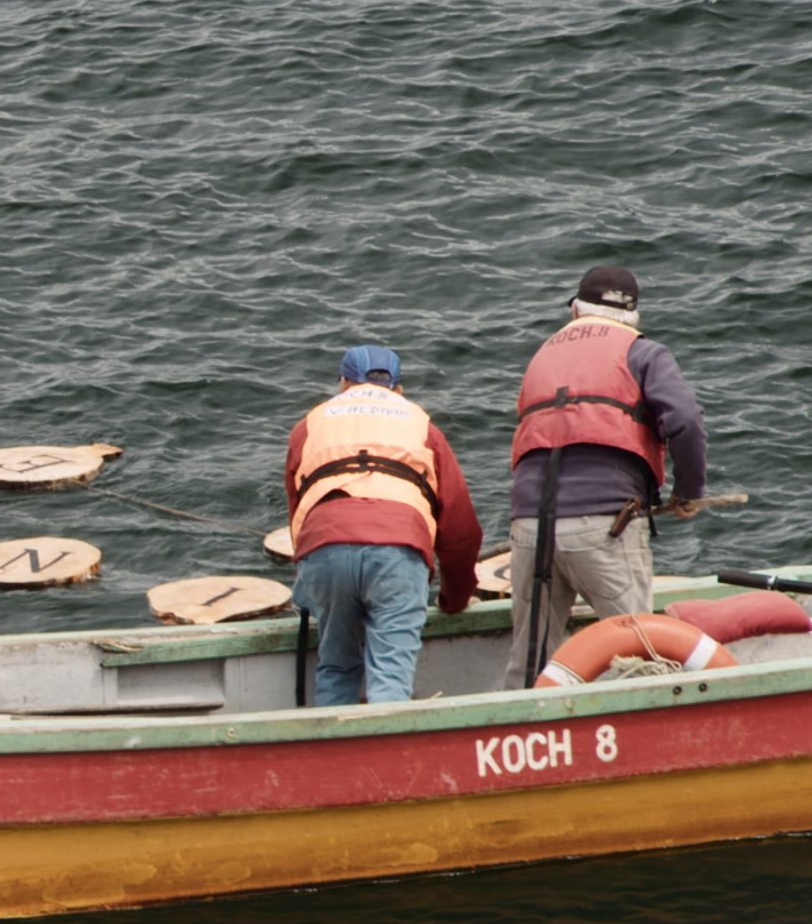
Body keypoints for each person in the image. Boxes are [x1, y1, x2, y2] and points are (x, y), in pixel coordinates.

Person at [500, 266, 709, 687]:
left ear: (575, 308)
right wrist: (689, 493)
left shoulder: (543, 353)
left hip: (529, 527)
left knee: (529, 663)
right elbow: (685, 422)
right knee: (644, 655)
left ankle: (528, 739)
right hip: (604, 526)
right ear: (633, 313)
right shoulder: (642, 352)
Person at [283, 344, 483, 705]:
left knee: (336, 666)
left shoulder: (310, 424)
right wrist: (455, 597)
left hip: (324, 548)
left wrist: (311, 576)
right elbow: (459, 529)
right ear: (399, 389)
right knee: (390, 676)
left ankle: (333, 755)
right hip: (398, 550)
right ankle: (385, 754)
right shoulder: (421, 423)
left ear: (343, 384)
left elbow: (298, 513)